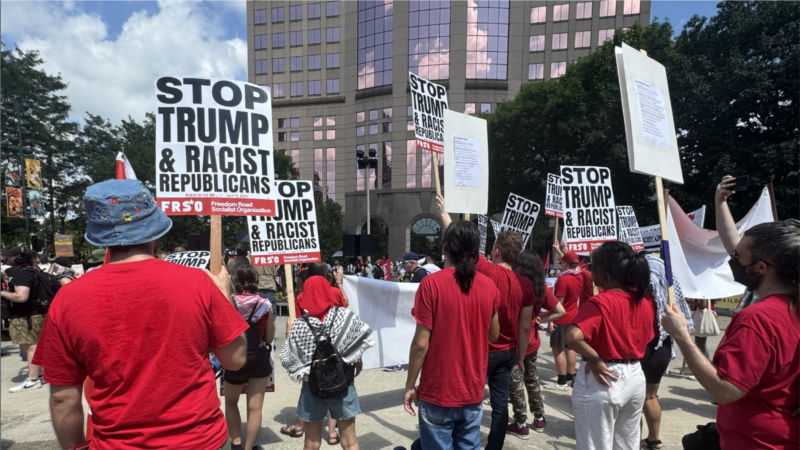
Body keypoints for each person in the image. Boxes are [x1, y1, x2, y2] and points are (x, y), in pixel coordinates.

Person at [31, 179, 249, 449]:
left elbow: (63, 398)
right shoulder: (197, 283)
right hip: (199, 440)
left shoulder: (68, 298)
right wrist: (224, 294)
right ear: (155, 232)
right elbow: (236, 359)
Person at [661, 219, 800, 449]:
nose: (731, 261)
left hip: (757, 442)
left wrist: (681, 334)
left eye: (737, 257)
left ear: (760, 267)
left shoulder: (758, 318)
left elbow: (725, 390)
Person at [437, 195, 534, 450]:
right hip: (509, 352)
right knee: (501, 406)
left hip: (483, 349)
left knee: (470, 399)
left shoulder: (489, 271)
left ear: (497, 251)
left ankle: (457, 440)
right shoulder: (527, 285)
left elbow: (460, 242)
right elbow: (526, 326)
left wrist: (445, 214)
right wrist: (521, 357)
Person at [403, 219, 500, 450]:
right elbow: (494, 335)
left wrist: (409, 384)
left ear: (445, 248)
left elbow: (420, 344)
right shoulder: (489, 286)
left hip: (438, 390)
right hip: (472, 389)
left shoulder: (431, 284)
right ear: (476, 251)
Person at [565, 241, 656, 450]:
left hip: (604, 377)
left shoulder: (600, 302)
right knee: (627, 444)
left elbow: (572, 336)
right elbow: (647, 337)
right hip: (635, 376)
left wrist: (595, 357)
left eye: (590, 265)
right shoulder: (643, 301)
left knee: (594, 445)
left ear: (599, 270)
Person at [281, 267, 374, 450]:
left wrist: (288, 333)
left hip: (312, 387)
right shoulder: (344, 316)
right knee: (350, 441)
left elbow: (289, 357)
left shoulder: (299, 325)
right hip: (343, 384)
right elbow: (360, 339)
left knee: (311, 442)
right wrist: (357, 360)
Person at [507, 250, 565, 438]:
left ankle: (520, 422)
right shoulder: (541, 288)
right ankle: (539, 418)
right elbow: (560, 311)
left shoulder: (514, 286)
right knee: (532, 379)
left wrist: (539, 317)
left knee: (516, 382)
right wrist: (540, 318)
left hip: (514, 341)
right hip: (532, 341)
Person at [640, 254, 694, 450]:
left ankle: (631, 439)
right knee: (651, 396)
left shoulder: (639, 298)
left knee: (634, 399)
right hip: (662, 348)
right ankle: (654, 439)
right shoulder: (668, 302)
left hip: (642, 349)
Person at [224, 265, 275, 450]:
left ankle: (236, 443)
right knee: (255, 408)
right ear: (256, 281)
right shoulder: (264, 304)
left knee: (230, 402)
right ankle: (249, 447)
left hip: (234, 357)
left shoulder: (228, 302)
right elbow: (269, 338)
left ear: (235, 281)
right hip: (258, 358)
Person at [1, 246, 46, 392]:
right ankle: (40, 375)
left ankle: (32, 379)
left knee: (29, 346)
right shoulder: (33, 271)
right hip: (36, 314)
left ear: (18, 258)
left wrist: (2, 293)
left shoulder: (22, 274)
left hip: (26, 316)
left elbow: (21, 296)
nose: (5, 258)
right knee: (34, 345)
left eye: (8, 256)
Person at [550, 251, 582, 390]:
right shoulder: (579, 276)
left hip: (561, 318)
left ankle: (561, 381)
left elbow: (558, 303)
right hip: (574, 316)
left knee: (557, 350)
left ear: (566, 264)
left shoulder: (563, 280)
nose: (560, 264)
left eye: (562, 262)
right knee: (570, 349)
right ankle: (570, 377)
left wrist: (551, 320)